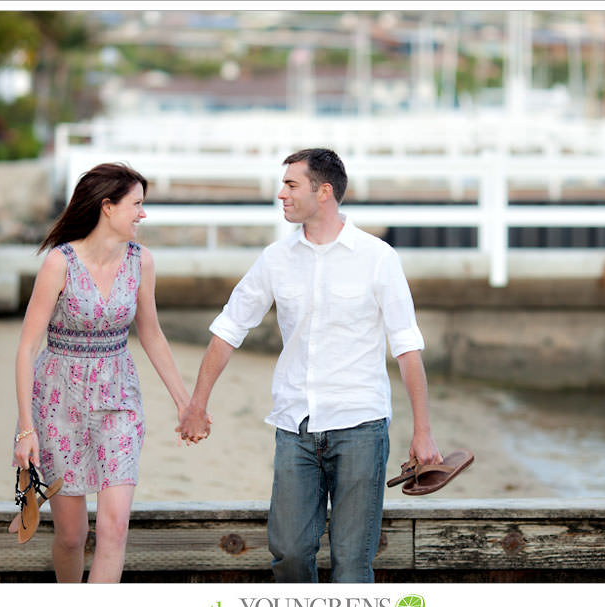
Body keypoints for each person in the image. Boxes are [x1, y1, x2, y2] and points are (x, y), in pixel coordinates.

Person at [178, 148, 442, 583]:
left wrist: (423, 431)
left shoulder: (378, 258)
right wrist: (196, 403)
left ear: (323, 192)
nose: (280, 193)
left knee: (353, 562)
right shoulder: (276, 259)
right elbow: (229, 329)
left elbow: (407, 348)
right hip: (294, 427)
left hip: (361, 425)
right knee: (290, 553)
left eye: (291, 185)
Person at [12, 162, 197, 582]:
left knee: (114, 530)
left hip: (119, 401)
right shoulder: (58, 264)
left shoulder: (141, 261)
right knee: (72, 536)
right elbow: (26, 348)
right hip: (58, 403)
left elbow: (152, 335)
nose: (143, 214)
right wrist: (26, 428)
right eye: (137, 205)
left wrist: (187, 403)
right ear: (107, 207)